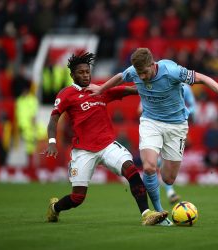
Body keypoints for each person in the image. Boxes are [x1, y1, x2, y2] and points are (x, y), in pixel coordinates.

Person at [86, 48, 218, 226]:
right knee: (148, 168)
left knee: (169, 178)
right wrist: (101, 88)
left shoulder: (172, 71)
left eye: (145, 73)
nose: (142, 77)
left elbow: (204, 78)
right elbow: (119, 76)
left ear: (153, 65)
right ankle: (158, 212)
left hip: (176, 126)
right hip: (150, 122)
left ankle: (162, 174)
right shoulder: (135, 71)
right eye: (139, 74)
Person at [44, 52, 168, 225]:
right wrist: (52, 142)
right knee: (77, 197)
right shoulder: (66, 94)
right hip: (83, 150)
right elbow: (54, 118)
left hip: (107, 145)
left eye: (87, 71)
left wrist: (156, 86)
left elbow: (130, 89)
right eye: (81, 72)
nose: (85, 75)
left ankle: (147, 214)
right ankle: (55, 208)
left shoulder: (100, 90)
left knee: (131, 170)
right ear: (72, 75)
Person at [138, 83, 197, 205]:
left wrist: (181, 112)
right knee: (152, 163)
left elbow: (193, 107)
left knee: (164, 167)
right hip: (153, 126)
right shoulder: (153, 85)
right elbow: (139, 109)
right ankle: (168, 194)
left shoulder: (185, 87)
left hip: (174, 127)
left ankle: (163, 189)